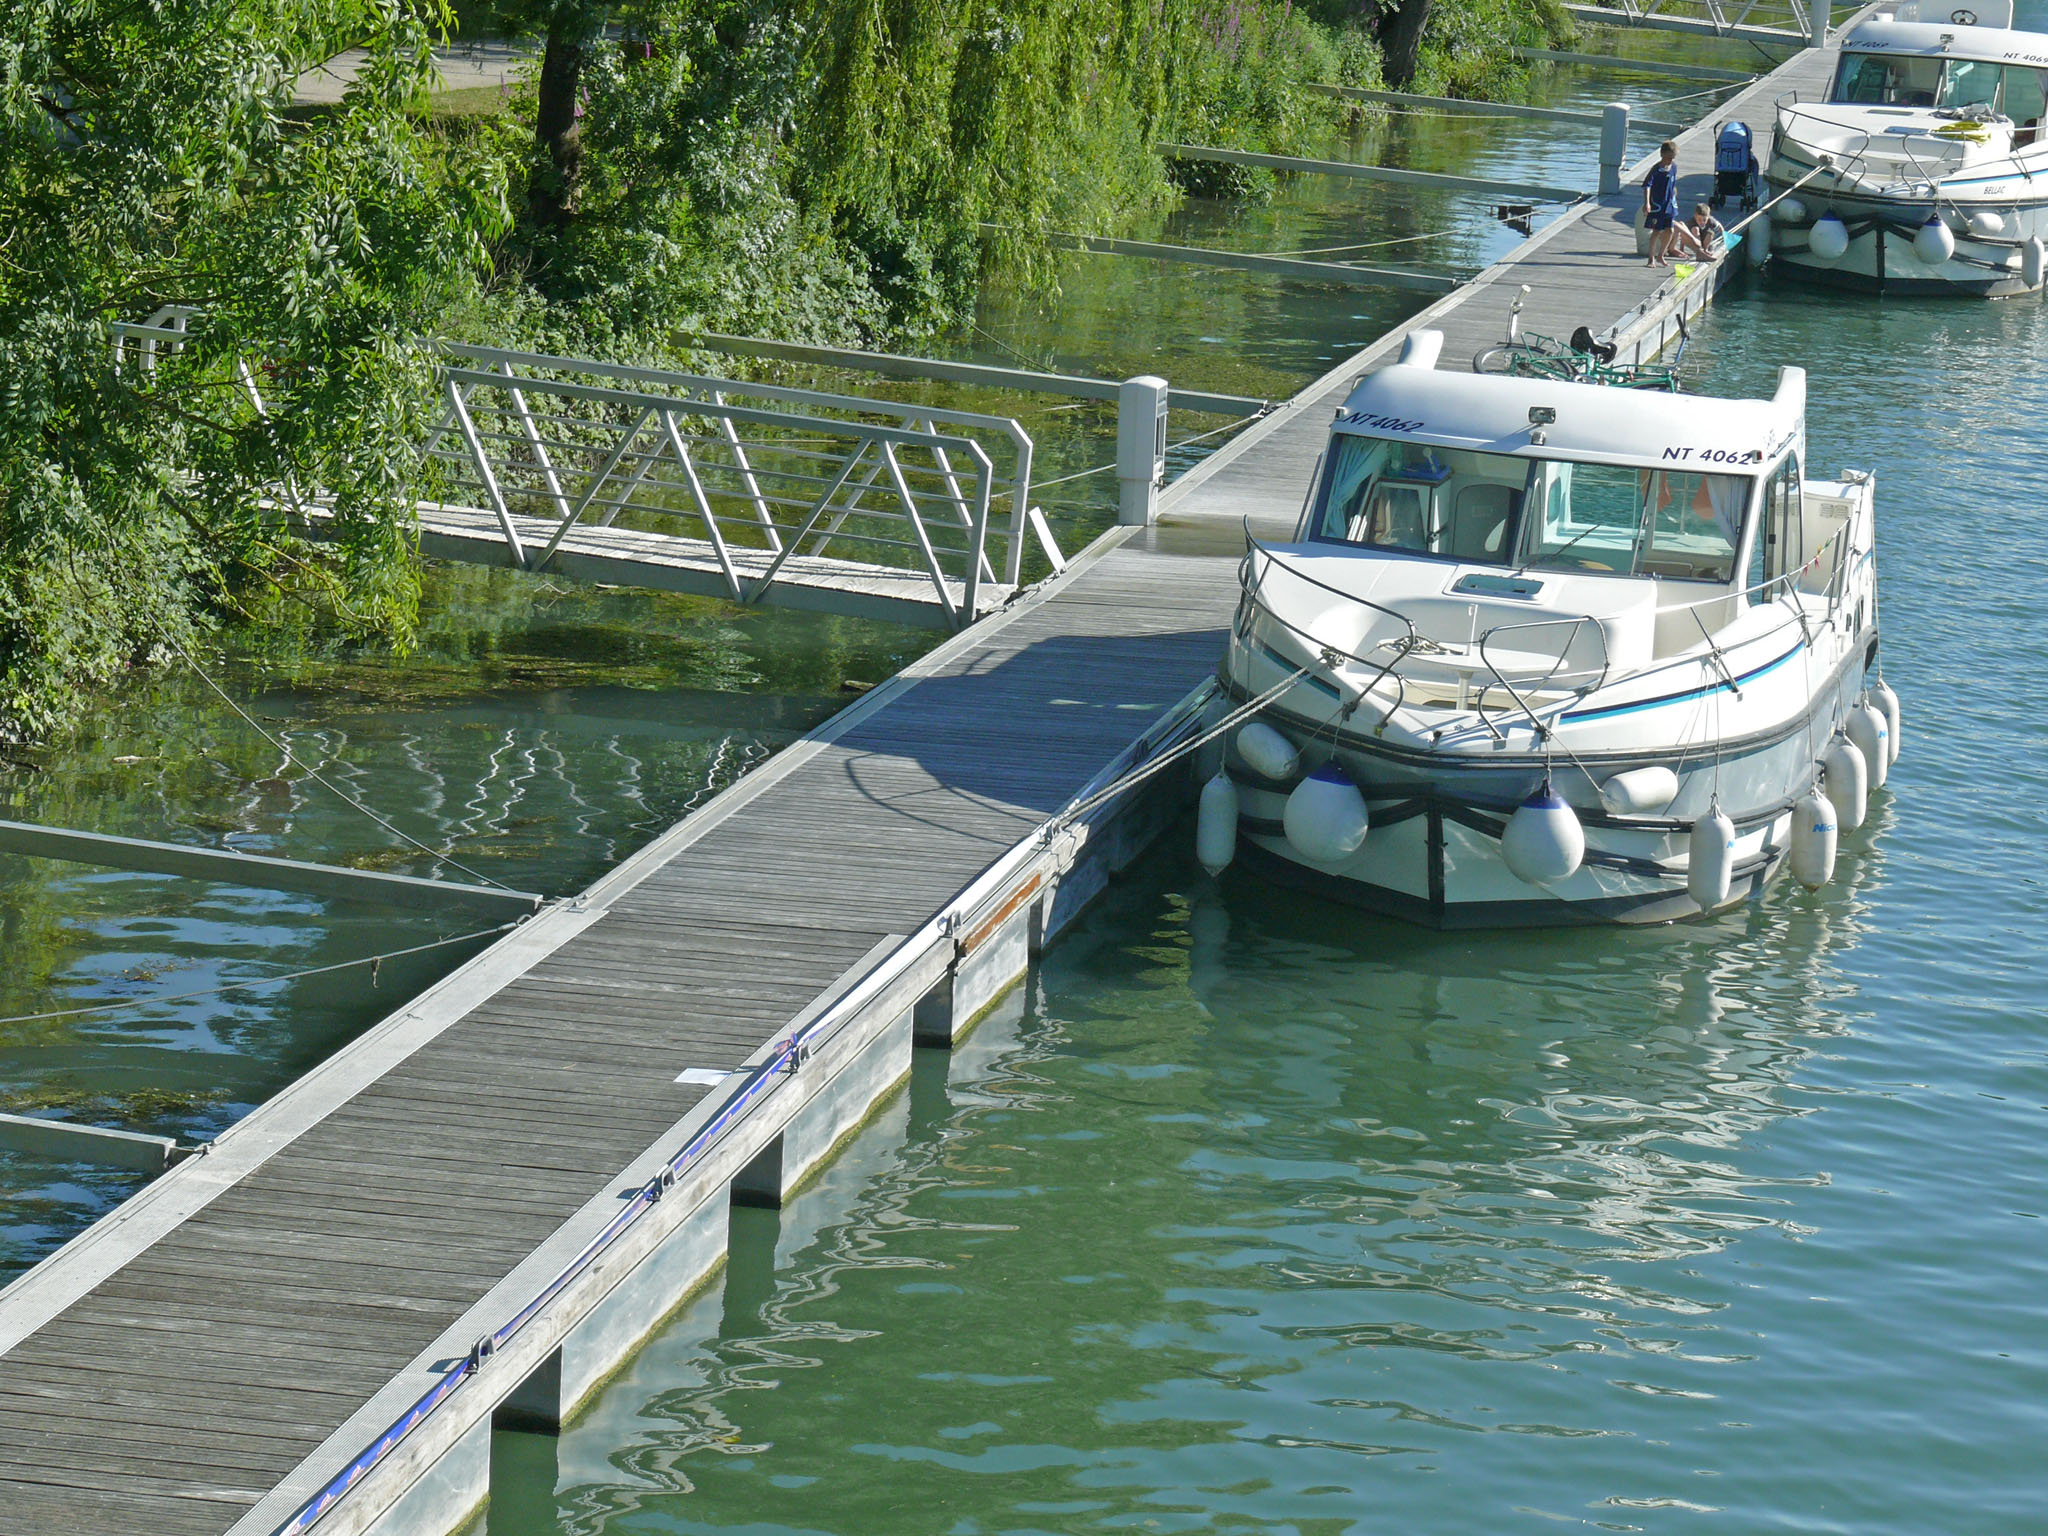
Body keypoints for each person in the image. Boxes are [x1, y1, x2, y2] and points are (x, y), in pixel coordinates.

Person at [1643, 141, 1680, 267]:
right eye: (1668, 158)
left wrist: (1675, 196)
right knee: (1656, 231)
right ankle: (1651, 258)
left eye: (1672, 158)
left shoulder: (1674, 167)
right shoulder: (1656, 169)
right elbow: (1647, 185)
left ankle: (1661, 255)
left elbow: (1673, 184)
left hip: (1669, 204)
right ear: (1662, 155)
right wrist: (1647, 203)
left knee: (1670, 230)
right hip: (1657, 204)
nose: (1670, 161)